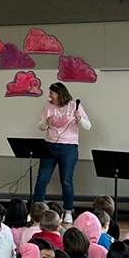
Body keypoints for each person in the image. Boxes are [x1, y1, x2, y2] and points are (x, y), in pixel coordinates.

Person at [32, 82, 91, 215]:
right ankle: (36, 211)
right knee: (42, 179)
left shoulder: (74, 105)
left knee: (66, 180)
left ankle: (68, 211)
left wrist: (79, 118)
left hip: (68, 148)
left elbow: (88, 126)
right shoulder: (48, 106)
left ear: (59, 94)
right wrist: (47, 123)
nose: (50, 96)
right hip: (49, 146)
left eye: (52, 93)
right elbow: (40, 126)